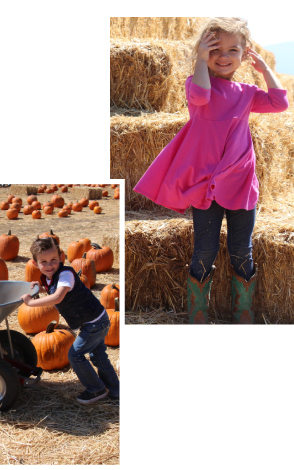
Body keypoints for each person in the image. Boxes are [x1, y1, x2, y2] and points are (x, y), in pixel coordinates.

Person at [133, 18, 288, 324]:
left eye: (233, 49)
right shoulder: (196, 84)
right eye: (215, 48)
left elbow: (279, 103)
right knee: (205, 250)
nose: (224, 55)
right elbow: (202, 97)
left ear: (245, 53)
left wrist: (264, 70)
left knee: (242, 251)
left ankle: (244, 315)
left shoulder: (246, 92)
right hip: (208, 187)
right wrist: (201, 60)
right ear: (203, 51)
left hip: (241, 183)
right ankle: (198, 316)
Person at [21, 238, 119, 404]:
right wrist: (40, 287)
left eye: (53, 260)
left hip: (94, 322)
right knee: (98, 355)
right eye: (43, 262)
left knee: (75, 355)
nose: (49, 265)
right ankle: (116, 390)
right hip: (95, 320)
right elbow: (52, 288)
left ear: (61, 257)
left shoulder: (66, 274)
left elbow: (58, 296)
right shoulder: (49, 277)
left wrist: (31, 302)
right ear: (36, 264)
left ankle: (96, 389)